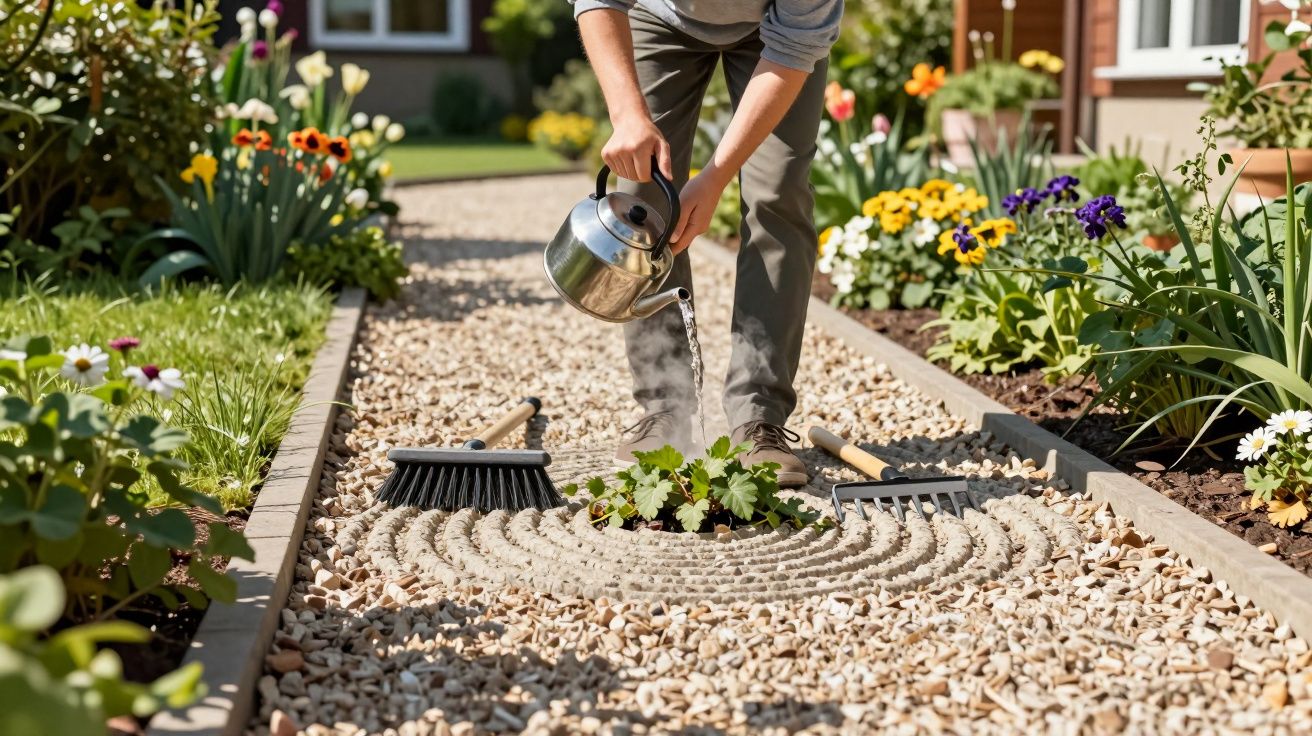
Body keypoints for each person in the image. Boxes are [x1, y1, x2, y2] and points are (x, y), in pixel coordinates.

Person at [573, 0, 842, 487]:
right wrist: (628, 115)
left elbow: (796, 44)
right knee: (640, 194)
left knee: (776, 194)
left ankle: (757, 418)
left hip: (774, 33)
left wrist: (714, 178)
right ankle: (666, 409)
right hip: (658, 16)